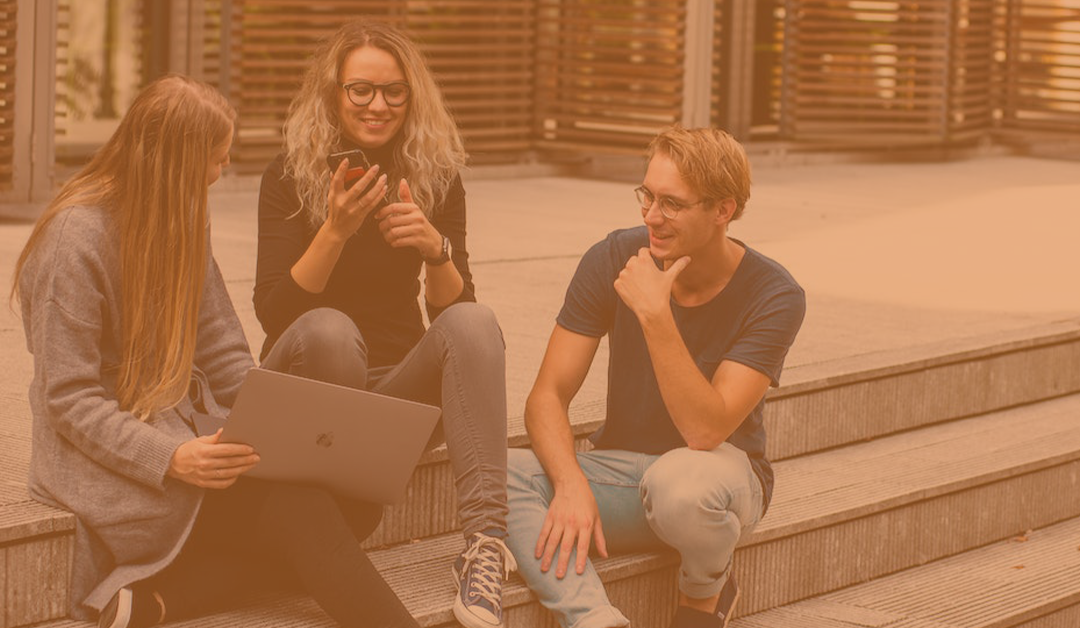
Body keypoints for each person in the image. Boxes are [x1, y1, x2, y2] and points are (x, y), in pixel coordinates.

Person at [11, 75, 421, 628]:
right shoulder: (74, 239)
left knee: (356, 507)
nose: (221, 172)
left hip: (190, 434)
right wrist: (172, 457)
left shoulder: (181, 218)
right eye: (216, 159)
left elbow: (224, 350)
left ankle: (162, 602)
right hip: (111, 462)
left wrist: (269, 428)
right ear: (176, 162)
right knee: (304, 513)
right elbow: (69, 400)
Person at [253, 20, 511, 628]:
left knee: (477, 322)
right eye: (360, 90)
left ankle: (484, 547)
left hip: (393, 399)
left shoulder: (435, 175)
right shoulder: (288, 176)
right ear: (333, 93)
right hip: (310, 387)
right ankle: (322, 522)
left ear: (412, 96)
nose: (378, 105)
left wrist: (434, 249)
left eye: (394, 91)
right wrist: (335, 230)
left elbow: (456, 316)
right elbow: (274, 313)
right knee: (330, 330)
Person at [506, 126, 806, 628]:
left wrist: (655, 316)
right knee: (498, 473)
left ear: (723, 210)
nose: (650, 216)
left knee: (680, 485)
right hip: (624, 472)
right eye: (647, 195)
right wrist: (570, 482)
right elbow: (546, 397)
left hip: (719, 480)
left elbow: (705, 431)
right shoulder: (612, 257)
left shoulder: (774, 294)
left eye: (671, 203)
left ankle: (702, 598)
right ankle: (595, 618)